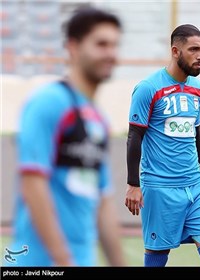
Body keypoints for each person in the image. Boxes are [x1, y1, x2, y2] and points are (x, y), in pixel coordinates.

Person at [5, 7, 126, 266]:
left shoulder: (99, 120)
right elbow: (33, 184)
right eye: (101, 44)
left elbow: (103, 202)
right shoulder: (48, 102)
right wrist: (63, 261)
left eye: (115, 45)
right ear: (73, 47)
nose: (111, 54)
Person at [125, 24, 200, 267]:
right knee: (157, 256)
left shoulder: (198, 89)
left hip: (195, 185)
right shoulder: (148, 88)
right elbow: (134, 137)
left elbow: (194, 133)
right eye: (194, 49)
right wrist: (133, 185)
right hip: (159, 187)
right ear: (175, 51)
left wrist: (199, 172)